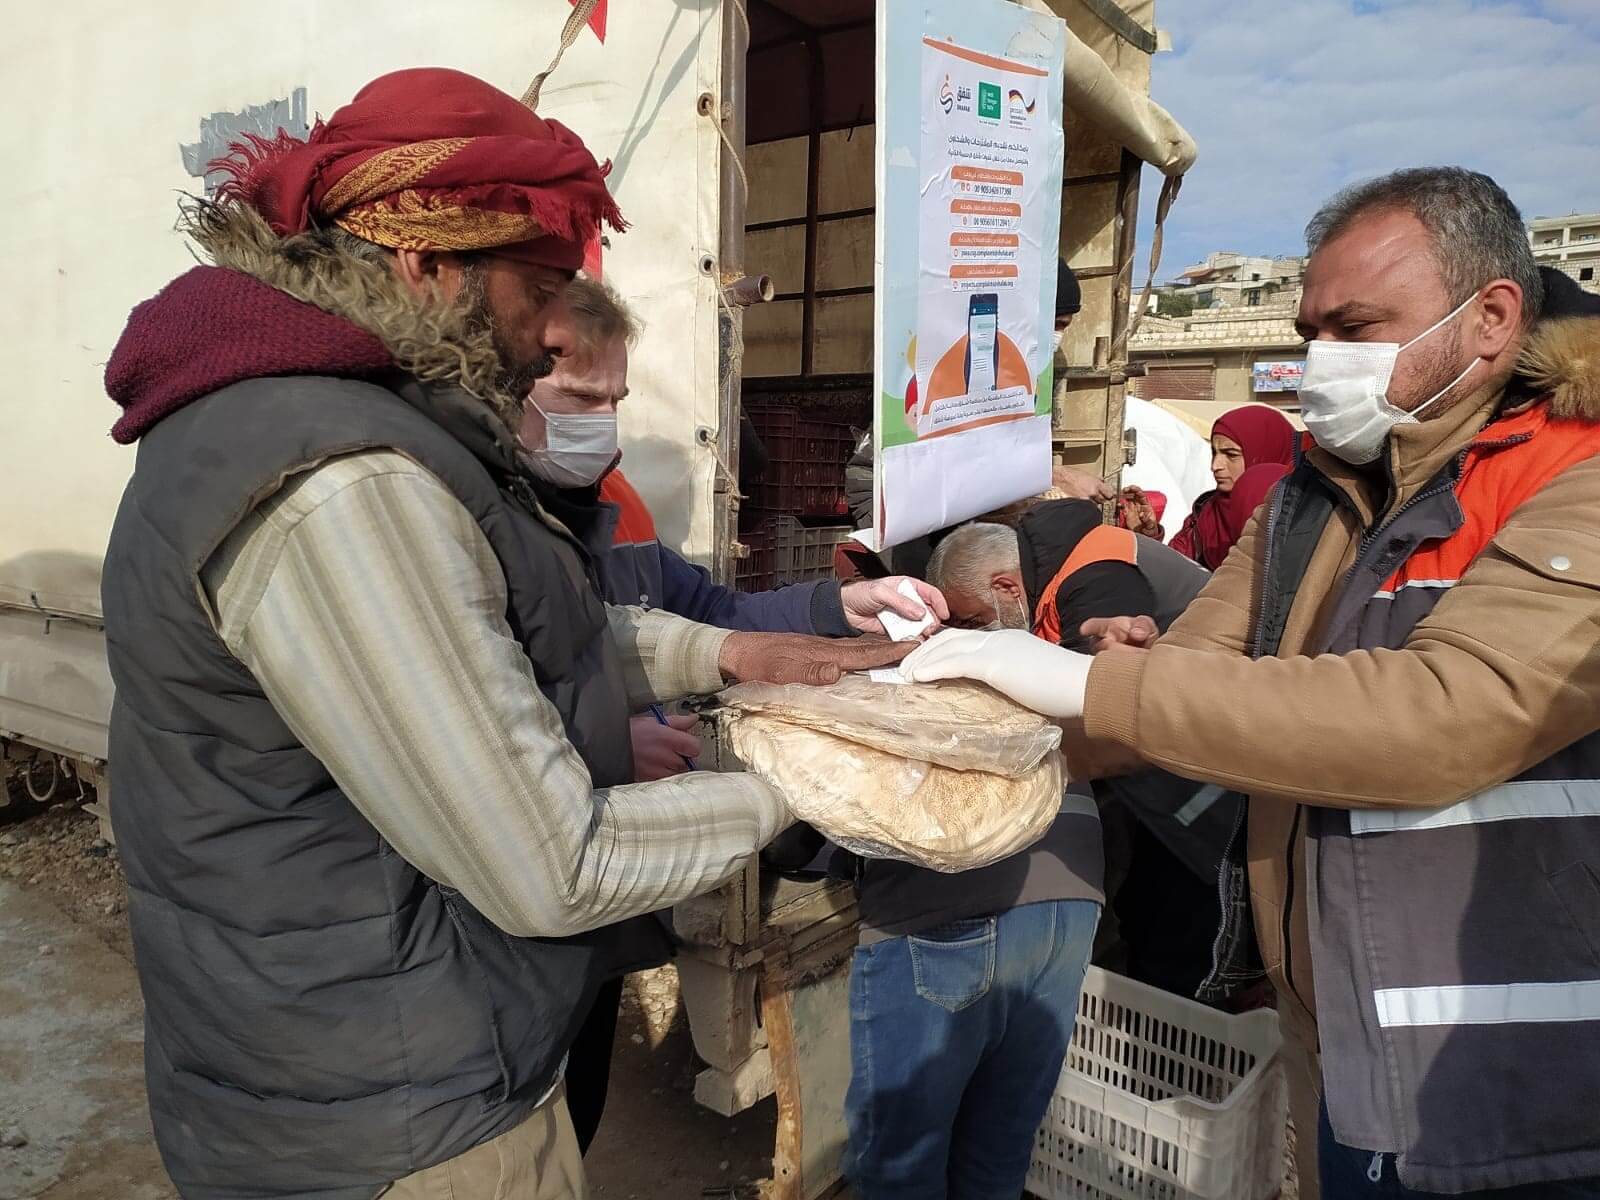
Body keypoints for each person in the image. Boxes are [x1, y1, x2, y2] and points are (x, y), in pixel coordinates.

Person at [99, 68, 909, 1200]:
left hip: (372, 1052)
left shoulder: (351, 426)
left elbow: (504, 638)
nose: (549, 338)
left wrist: (738, 654)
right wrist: (818, 780)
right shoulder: (347, 484)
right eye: (540, 291)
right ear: (428, 265)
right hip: (395, 1115)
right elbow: (556, 867)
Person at [900, 167, 1600, 1198]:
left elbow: (1446, 718)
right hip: (1341, 1048)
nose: (1319, 361)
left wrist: (1094, 691)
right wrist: (965, 710)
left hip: (1526, 1089)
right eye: (1309, 329)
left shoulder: (1574, 472)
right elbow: (1182, 685)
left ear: (1491, 317)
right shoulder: (1308, 503)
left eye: (1355, 326)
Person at [520, 275, 947, 1154]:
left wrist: (842, 607)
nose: (597, 423)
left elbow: (715, 616)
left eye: (615, 400)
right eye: (576, 396)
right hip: (513, 904)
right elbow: (465, 708)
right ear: (506, 379)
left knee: (581, 1110)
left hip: (598, 904)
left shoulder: (615, 513)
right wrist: (602, 737)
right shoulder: (470, 522)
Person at [926, 505, 1236, 1002]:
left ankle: (1183, 1018)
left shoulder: (1096, 580)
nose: (977, 633)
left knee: (1176, 925)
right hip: (1177, 766)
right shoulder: (1057, 567)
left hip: (1206, 783)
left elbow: (1094, 717)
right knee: (1148, 909)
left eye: (974, 619)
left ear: (1007, 587)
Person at [1141, 404, 1296, 568]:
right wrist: (1148, 537)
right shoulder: (1204, 515)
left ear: (1266, 452)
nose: (1216, 466)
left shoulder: (1297, 517)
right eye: (1215, 453)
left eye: (1231, 455)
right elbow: (1173, 570)